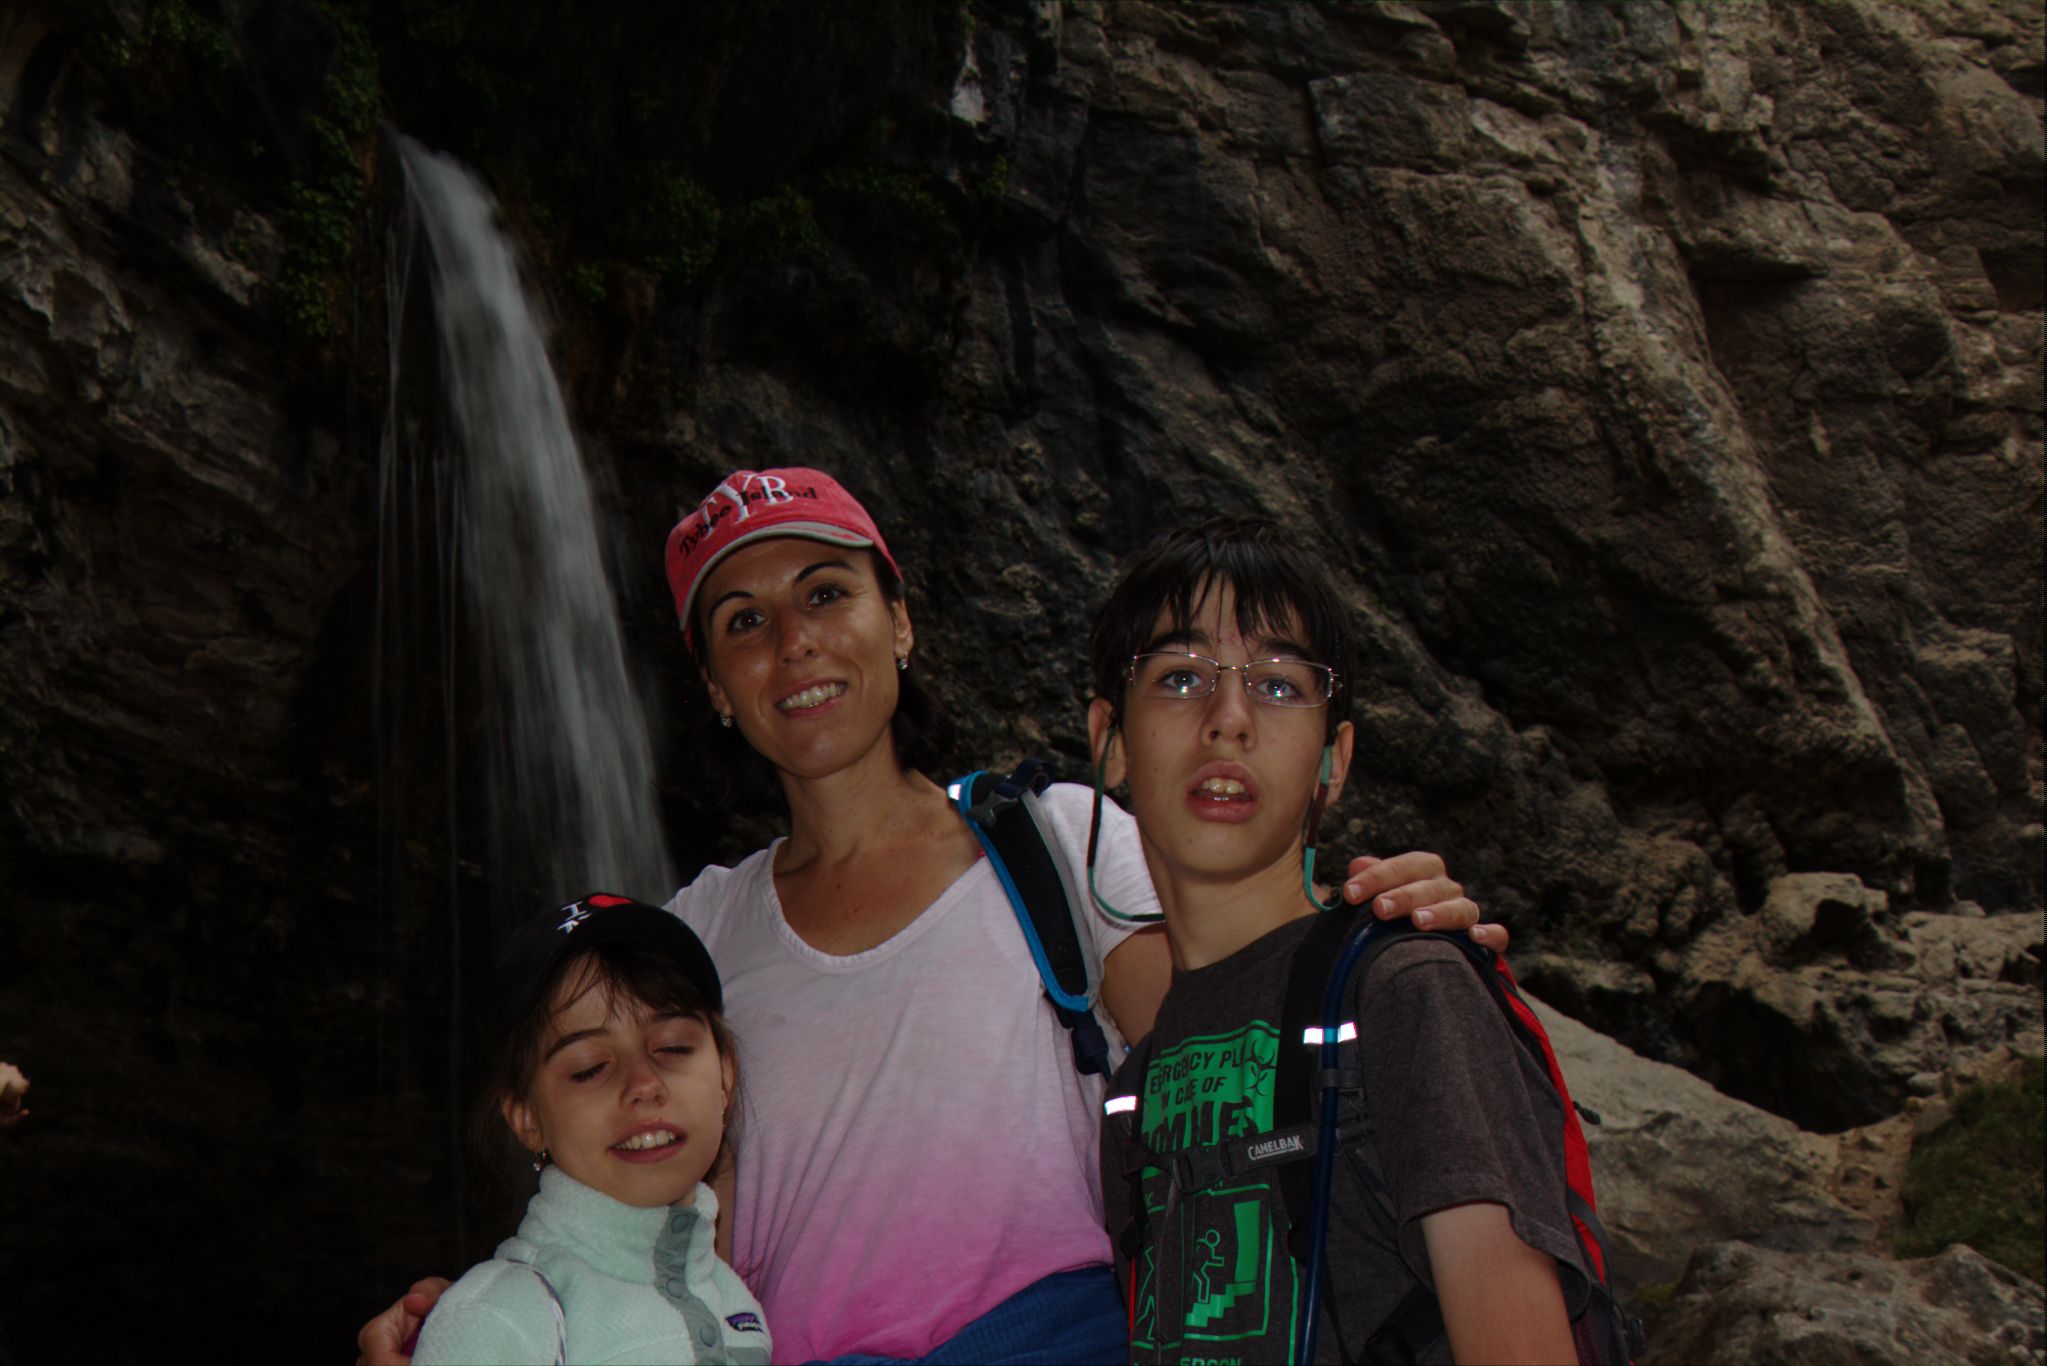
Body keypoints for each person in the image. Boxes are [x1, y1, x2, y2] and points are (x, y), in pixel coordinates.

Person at [361, 467, 1498, 1365]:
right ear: (713, 686)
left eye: (826, 594)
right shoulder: (687, 939)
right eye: (743, 623)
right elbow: (637, 1195)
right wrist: (491, 1312)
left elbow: (1237, 1031)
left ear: (898, 622)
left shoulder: (1060, 837)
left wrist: (1374, 948)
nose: (794, 642)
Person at [1088, 518, 1589, 1364]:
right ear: (1109, 743)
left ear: (1335, 759)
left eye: (1280, 686)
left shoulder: (1403, 990)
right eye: (1179, 678)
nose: (1229, 719)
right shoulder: (1138, 1083)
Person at [411, 893, 769, 1365]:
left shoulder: (736, 1305)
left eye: (674, 1046)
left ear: (725, 1076)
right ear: (528, 1119)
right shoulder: (502, 1317)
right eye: (589, 1068)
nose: (644, 1084)